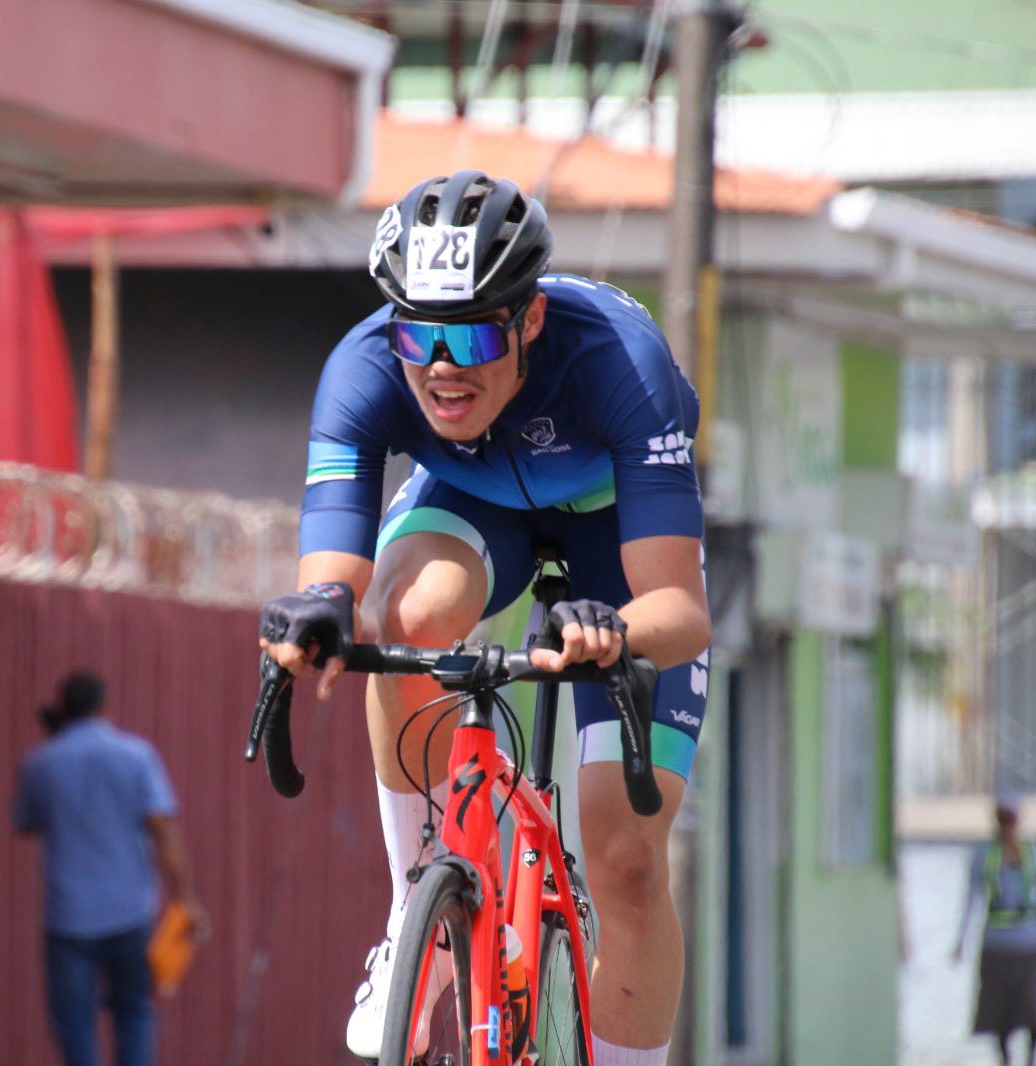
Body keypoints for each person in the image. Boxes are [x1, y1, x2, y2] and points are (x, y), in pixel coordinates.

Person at [259, 170, 710, 1065]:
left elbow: (681, 609)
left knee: (627, 859)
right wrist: (316, 617)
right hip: (473, 507)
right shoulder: (363, 367)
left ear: (529, 319)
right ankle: (415, 912)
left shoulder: (618, 359)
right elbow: (334, 577)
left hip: (615, 531)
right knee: (407, 612)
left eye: (470, 334)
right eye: (418, 333)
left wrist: (617, 634)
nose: (441, 365)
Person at [12, 672, 208, 1066]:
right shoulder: (137, 756)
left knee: (74, 1026)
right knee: (134, 1013)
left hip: (68, 917)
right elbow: (163, 831)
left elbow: (26, 822)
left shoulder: (40, 763)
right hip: (129, 913)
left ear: (63, 708)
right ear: (103, 705)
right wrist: (186, 898)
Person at [953, 795, 1036, 1066]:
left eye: (1011, 821)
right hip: (996, 946)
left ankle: (1032, 1059)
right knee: (999, 1012)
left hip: (1030, 944)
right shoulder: (984, 854)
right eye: (1003, 821)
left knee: (1032, 1010)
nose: (1008, 827)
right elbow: (971, 897)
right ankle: (1005, 1060)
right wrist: (961, 940)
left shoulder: (1034, 852)